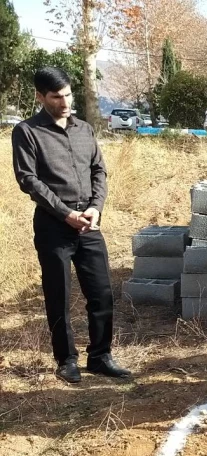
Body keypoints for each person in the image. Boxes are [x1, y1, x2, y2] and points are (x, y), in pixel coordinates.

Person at [11, 67, 130, 383]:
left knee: (102, 293)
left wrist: (95, 208)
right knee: (58, 295)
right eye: (56, 97)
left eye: (67, 95)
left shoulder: (84, 129)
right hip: (54, 227)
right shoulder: (27, 132)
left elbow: (99, 172)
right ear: (41, 97)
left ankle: (100, 357)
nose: (64, 102)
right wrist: (65, 213)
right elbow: (29, 180)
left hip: (89, 224)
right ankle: (66, 361)